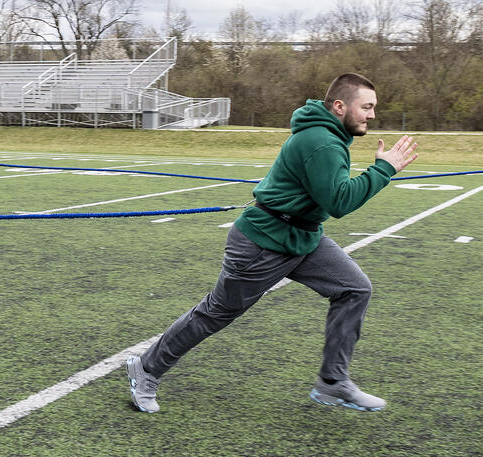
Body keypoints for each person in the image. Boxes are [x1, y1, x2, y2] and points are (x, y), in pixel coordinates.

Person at [125, 73, 418, 413]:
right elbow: (339, 202)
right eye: (366, 107)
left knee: (354, 289)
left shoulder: (329, 137)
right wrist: (383, 170)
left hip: (302, 236)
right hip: (262, 243)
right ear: (340, 106)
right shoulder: (322, 142)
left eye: (373, 108)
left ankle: (332, 383)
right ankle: (145, 369)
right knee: (216, 313)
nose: (371, 115)